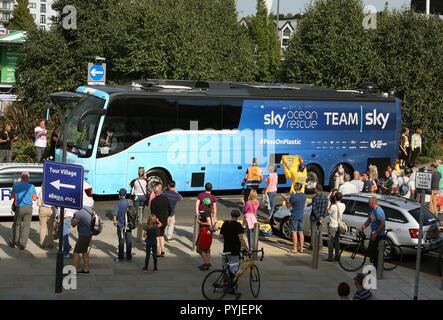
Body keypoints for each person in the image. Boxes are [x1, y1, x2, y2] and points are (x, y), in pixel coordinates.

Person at [219, 209, 251, 299]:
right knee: (234, 271)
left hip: (225, 250)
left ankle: (226, 284)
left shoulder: (225, 224)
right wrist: (247, 250)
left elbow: (221, 236)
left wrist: (228, 236)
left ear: (231, 215)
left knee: (225, 269)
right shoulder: (238, 225)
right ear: (238, 217)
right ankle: (232, 289)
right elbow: (241, 239)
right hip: (234, 251)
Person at [8, 172, 37, 250]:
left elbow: (12, 196)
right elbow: (34, 198)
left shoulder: (16, 185)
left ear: (21, 177)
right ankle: (22, 244)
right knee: (26, 226)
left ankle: (13, 242)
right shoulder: (32, 186)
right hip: (28, 208)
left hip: (19, 207)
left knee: (16, 225)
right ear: (27, 178)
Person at [360, 197, 385, 268]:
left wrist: (376, 233)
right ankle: (375, 264)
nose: (368, 203)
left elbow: (382, 224)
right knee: (371, 251)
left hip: (378, 234)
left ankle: (377, 266)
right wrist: (363, 227)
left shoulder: (378, 211)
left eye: (369, 202)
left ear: (372, 203)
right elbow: (369, 220)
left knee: (372, 251)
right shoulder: (372, 210)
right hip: (373, 232)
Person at [283, 183, 306, 254]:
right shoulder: (304, 195)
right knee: (301, 232)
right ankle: (301, 248)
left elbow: (288, 206)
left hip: (294, 216)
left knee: (294, 232)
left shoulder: (293, 196)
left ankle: (295, 248)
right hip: (301, 215)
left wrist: (285, 199)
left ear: (296, 187)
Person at [150, 182, 172, 257]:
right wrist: (168, 217)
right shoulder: (165, 198)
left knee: (157, 236)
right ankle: (163, 250)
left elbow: (153, 214)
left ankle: (158, 252)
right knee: (162, 235)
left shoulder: (154, 201)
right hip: (164, 221)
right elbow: (170, 210)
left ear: (155, 191)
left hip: (157, 221)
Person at [71, 206, 94, 275]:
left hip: (83, 235)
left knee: (76, 252)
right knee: (84, 252)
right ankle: (86, 269)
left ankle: (73, 271)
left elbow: (73, 225)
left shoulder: (79, 213)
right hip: (89, 233)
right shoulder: (90, 209)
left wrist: (72, 219)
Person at [324, 192, 345, 262]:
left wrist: (328, 205)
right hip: (339, 225)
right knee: (337, 241)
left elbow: (327, 213)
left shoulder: (333, 206)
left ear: (335, 198)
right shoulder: (343, 205)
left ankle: (330, 257)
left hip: (333, 225)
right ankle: (337, 257)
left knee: (330, 242)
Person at [112, 188, 132, 262]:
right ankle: (129, 257)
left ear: (119, 195)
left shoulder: (118, 203)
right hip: (129, 225)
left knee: (121, 241)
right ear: (125, 195)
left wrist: (114, 221)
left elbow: (114, 214)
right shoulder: (129, 202)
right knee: (129, 241)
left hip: (121, 225)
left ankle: (121, 257)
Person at [197, 197, 214, 271]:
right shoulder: (210, 210)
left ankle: (207, 263)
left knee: (200, 248)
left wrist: (201, 222)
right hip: (209, 231)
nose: (202, 204)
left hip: (205, 230)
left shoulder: (206, 211)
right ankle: (207, 262)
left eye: (203, 202)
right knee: (207, 248)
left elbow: (209, 223)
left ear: (205, 204)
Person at [309, 185, 328, 251]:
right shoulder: (325, 197)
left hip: (314, 218)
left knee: (313, 232)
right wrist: (322, 217)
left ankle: (313, 246)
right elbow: (325, 208)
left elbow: (314, 209)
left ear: (316, 190)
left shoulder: (315, 197)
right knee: (320, 232)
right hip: (321, 218)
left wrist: (318, 217)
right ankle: (320, 247)